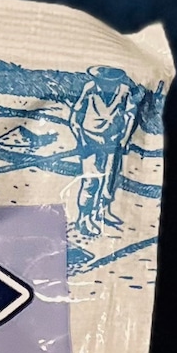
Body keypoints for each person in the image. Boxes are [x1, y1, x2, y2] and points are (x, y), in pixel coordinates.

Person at [69, 65, 136, 237]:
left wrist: (124, 139)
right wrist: (81, 138)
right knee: (91, 181)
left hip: (113, 142)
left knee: (110, 180)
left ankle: (102, 212)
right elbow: (75, 116)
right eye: (103, 81)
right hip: (90, 140)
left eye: (111, 82)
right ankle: (84, 219)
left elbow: (130, 116)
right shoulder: (90, 89)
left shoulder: (124, 91)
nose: (107, 85)